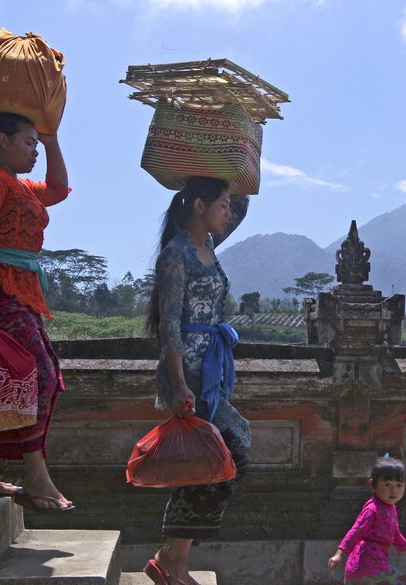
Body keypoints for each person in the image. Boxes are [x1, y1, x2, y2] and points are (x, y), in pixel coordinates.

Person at [0, 111, 74, 513]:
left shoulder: (19, 187)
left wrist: (52, 138)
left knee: (2, 380)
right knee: (38, 373)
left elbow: (58, 188)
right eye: (28, 142)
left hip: (18, 292)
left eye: (37, 145)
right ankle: (37, 476)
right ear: (1, 141)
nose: (35, 151)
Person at [144, 177, 251, 585]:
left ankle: (172, 557)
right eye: (221, 205)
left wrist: (224, 165)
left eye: (228, 206)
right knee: (224, 454)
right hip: (187, 370)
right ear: (200, 205)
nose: (229, 212)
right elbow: (168, 322)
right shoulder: (177, 254)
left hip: (211, 367)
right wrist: (177, 383)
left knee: (215, 458)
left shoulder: (208, 248)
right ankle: (171, 558)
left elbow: (243, 204)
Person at [328, 456, 406, 585]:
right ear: (372, 485)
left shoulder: (390, 508)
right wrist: (339, 554)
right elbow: (356, 531)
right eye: (387, 485)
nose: (394, 490)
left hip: (371, 568)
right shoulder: (373, 510)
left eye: (399, 485)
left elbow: (396, 534)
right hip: (367, 567)